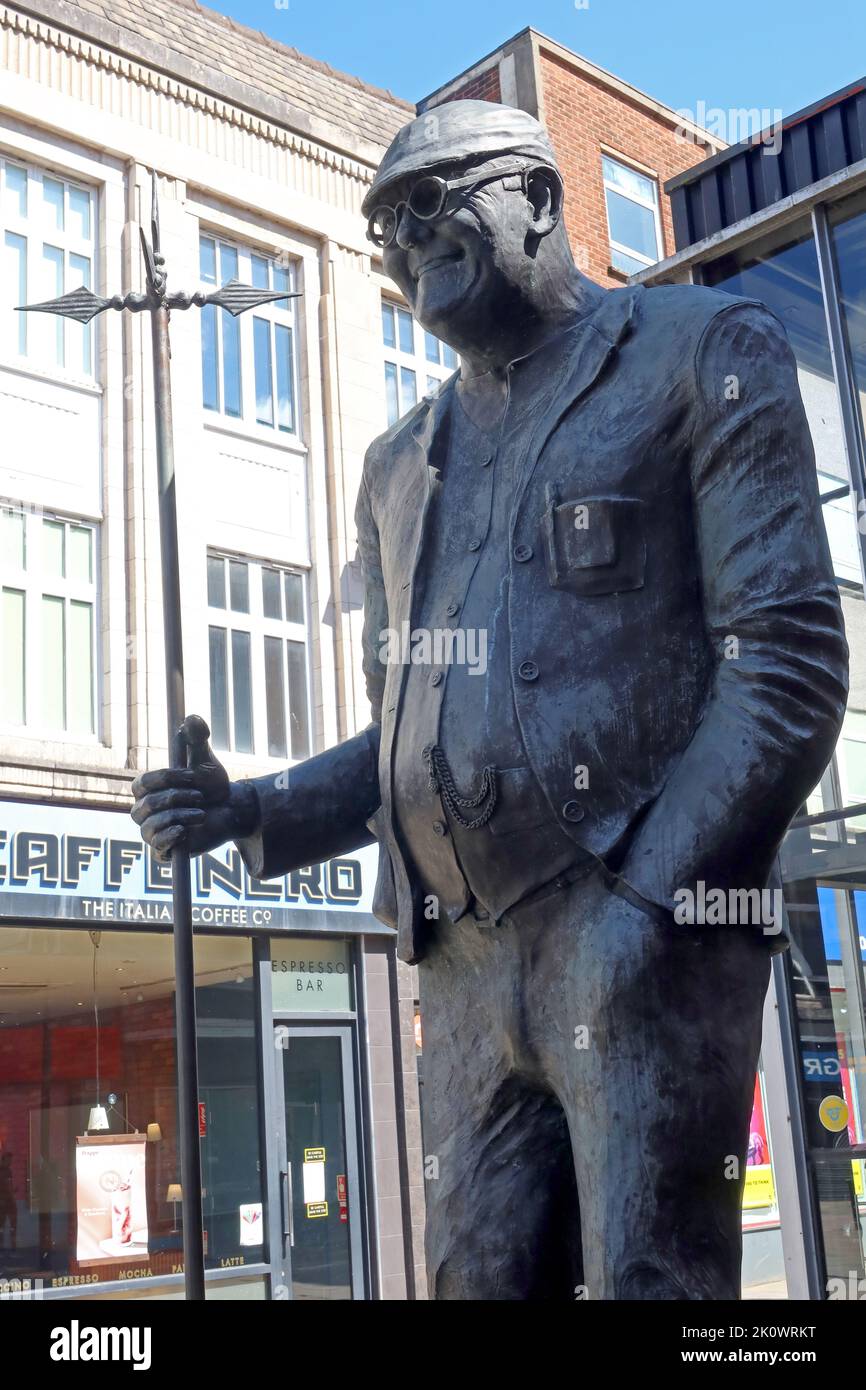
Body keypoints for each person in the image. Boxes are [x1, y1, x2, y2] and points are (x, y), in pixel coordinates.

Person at [131, 101, 848, 1299]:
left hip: (635, 928)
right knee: (473, 1280)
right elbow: (408, 734)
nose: (406, 245)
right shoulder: (394, 467)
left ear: (539, 198)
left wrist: (644, 908)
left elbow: (783, 662)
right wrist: (250, 807)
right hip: (458, 964)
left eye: (428, 205)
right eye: (382, 231)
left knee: (651, 1282)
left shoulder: (698, 352)